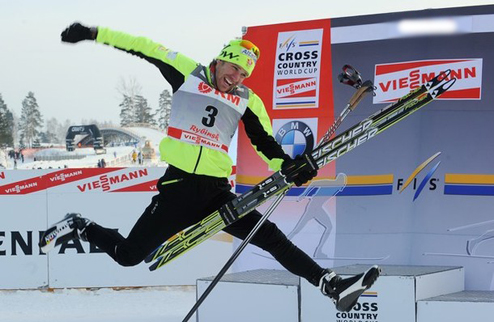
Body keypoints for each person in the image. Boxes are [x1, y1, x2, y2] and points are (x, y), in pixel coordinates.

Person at [39, 22, 379, 312]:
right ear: (220, 61)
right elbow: (142, 46)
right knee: (129, 256)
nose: (236, 78)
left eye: (244, 74)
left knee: (272, 238)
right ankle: (79, 224)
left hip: (216, 193)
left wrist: (290, 167)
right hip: (178, 189)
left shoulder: (247, 100)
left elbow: (265, 144)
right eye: (234, 69)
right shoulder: (187, 72)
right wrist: (94, 33)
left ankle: (331, 285)